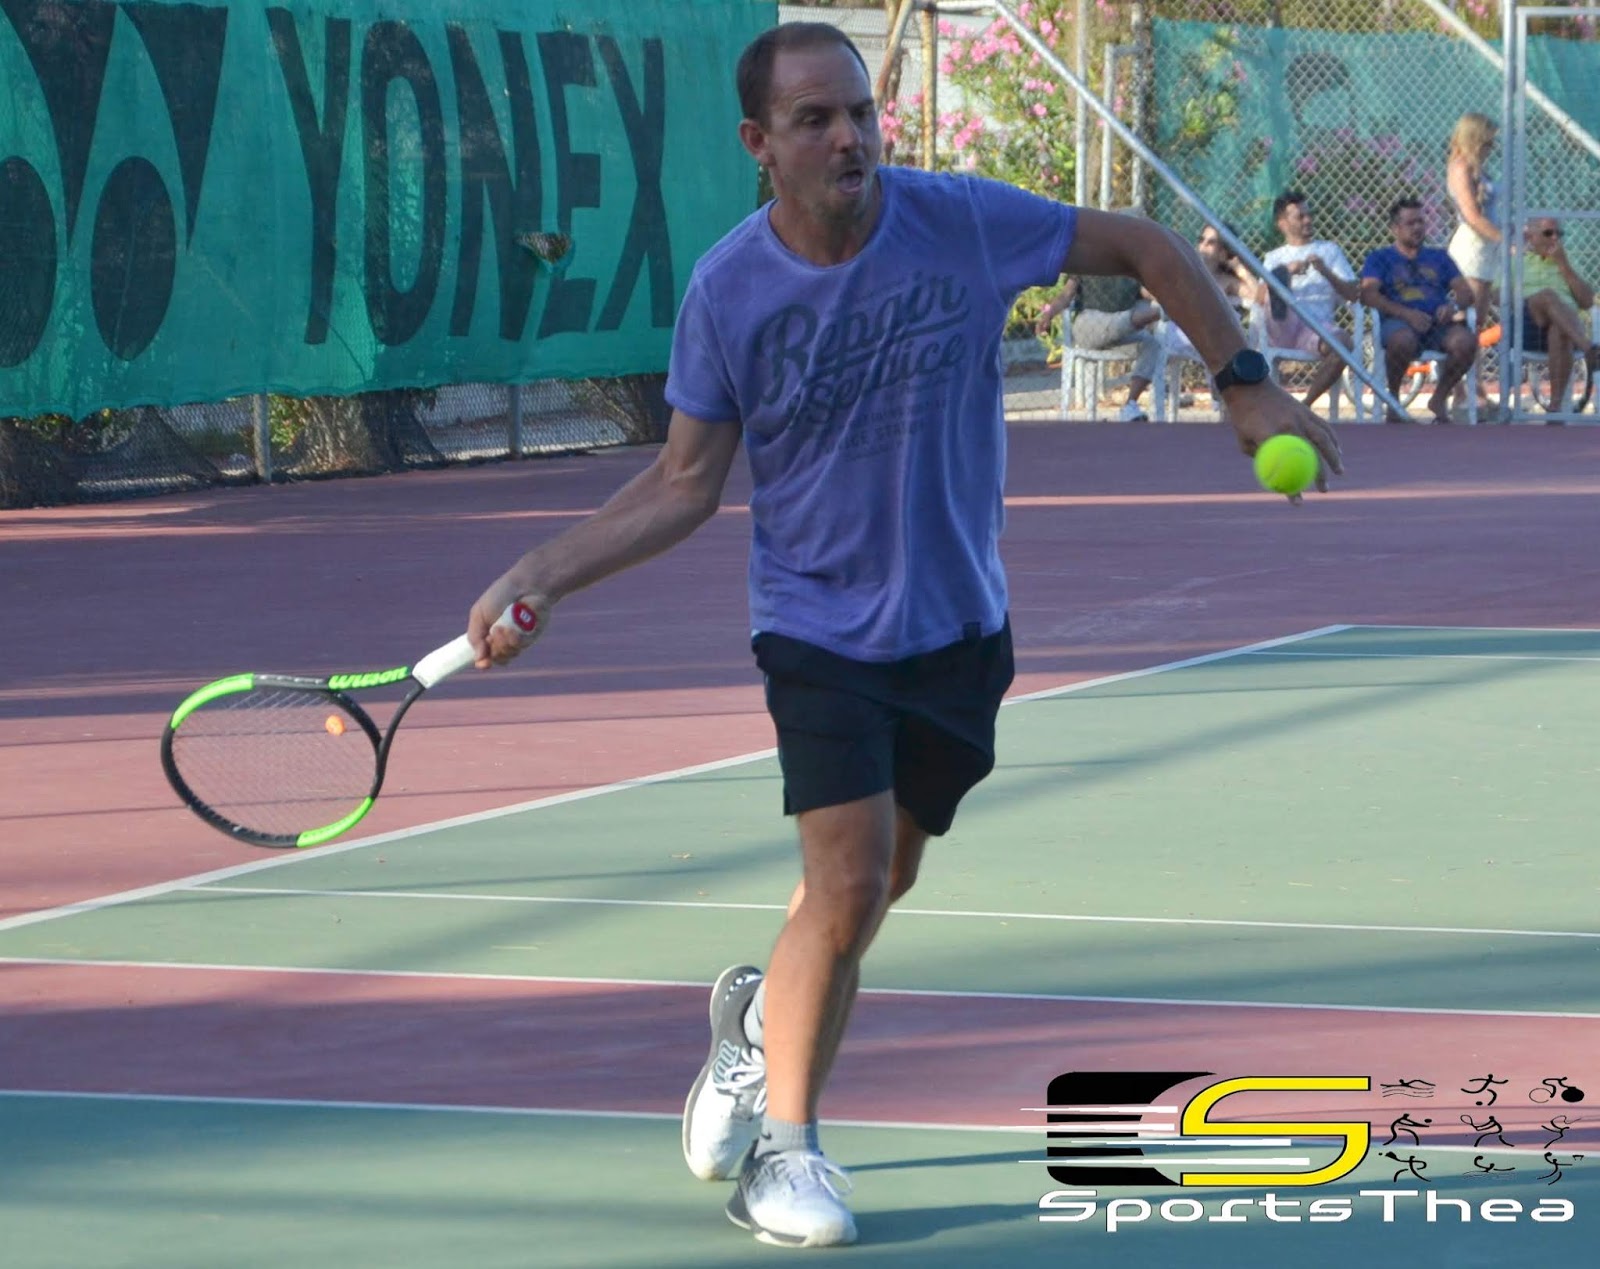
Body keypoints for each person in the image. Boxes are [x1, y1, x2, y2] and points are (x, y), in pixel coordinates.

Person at [466, 21, 1341, 1250]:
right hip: (815, 628)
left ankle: (754, 1029)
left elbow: (1143, 245)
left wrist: (1243, 382)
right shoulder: (728, 290)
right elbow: (682, 483)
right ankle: (786, 1152)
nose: (849, 138)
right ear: (759, 142)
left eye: (860, 113)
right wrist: (540, 574)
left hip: (958, 627)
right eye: (814, 120)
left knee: (880, 883)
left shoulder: (960, 221)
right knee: (846, 880)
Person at [1361, 197, 1478, 424]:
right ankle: (1393, 400)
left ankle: (1439, 397)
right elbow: (1369, 294)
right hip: (1398, 322)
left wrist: (1452, 307)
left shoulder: (1439, 257)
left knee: (1466, 342)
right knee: (1403, 340)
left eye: (1420, 222)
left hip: (1438, 324)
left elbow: (1466, 293)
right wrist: (1406, 314)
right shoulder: (1379, 258)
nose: (1417, 228)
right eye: (1410, 223)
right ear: (1395, 228)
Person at [1257, 190, 1361, 409]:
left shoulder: (1329, 251)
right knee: (1275, 284)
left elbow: (1353, 294)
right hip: (1280, 327)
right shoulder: (1274, 257)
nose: (1308, 220)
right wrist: (1287, 271)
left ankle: (1304, 405)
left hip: (1315, 330)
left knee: (1343, 343)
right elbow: (1258, 298)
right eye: (1300, 216)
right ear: (1282, 224)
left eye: (1309, 215)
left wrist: (1326, 272)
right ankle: (1281, 284)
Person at [1034, 248, 1163, 422]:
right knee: (1129, 318)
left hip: (1121, 334)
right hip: (1090, 324)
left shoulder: (1130, 266)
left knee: (1151, 344)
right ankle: (1155, 314)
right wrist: (1048, 314)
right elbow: (1066, 294)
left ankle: (1129, 405)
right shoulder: (1087, 260)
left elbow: (1147, 293)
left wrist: (1164, 297)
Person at [1520, 216, 1600, 416]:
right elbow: (1497, 296)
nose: (1554, 238)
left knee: (1559, 330)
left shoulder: (1567, 261)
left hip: (1566, 327)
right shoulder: (1517, 262)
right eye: (1548, 233)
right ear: (1531, 237)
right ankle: (1589, 348)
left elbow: (1587, 302)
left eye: (1559, 234)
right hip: (1530, 323)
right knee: (1547, 295)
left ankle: (1555, 407)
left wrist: (1563, 265)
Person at [1446, 112, 1503, 323]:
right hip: (1473, 244)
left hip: (1488, 243)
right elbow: (1471, 216)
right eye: (1487, 142)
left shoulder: (1478, 169)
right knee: (1468, 316)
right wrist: (1506, 240)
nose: (1491, 148)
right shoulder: (1460, 167)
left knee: (1479, 317)